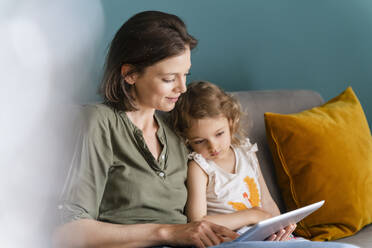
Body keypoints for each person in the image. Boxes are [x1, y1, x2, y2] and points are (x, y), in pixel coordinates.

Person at [53, 10, 359, 248]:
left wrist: (269, 225)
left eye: (185, 75)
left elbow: (222, 195)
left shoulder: (176, 132)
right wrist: (170, 232)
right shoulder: (99, 123)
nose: (182, 88)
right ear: (130, 74)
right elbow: (69, 231)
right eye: (169, 78)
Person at [170, 81, 297, 240]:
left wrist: (282, 229)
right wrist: (251, 216)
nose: (213, 146)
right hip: (234, 238)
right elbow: (197, 221)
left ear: (231, 122)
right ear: (187, 140)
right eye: (200, 141)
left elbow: (267, 202)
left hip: (266, 235)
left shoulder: (246, 152)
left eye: (219, 134)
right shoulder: (200, 168)